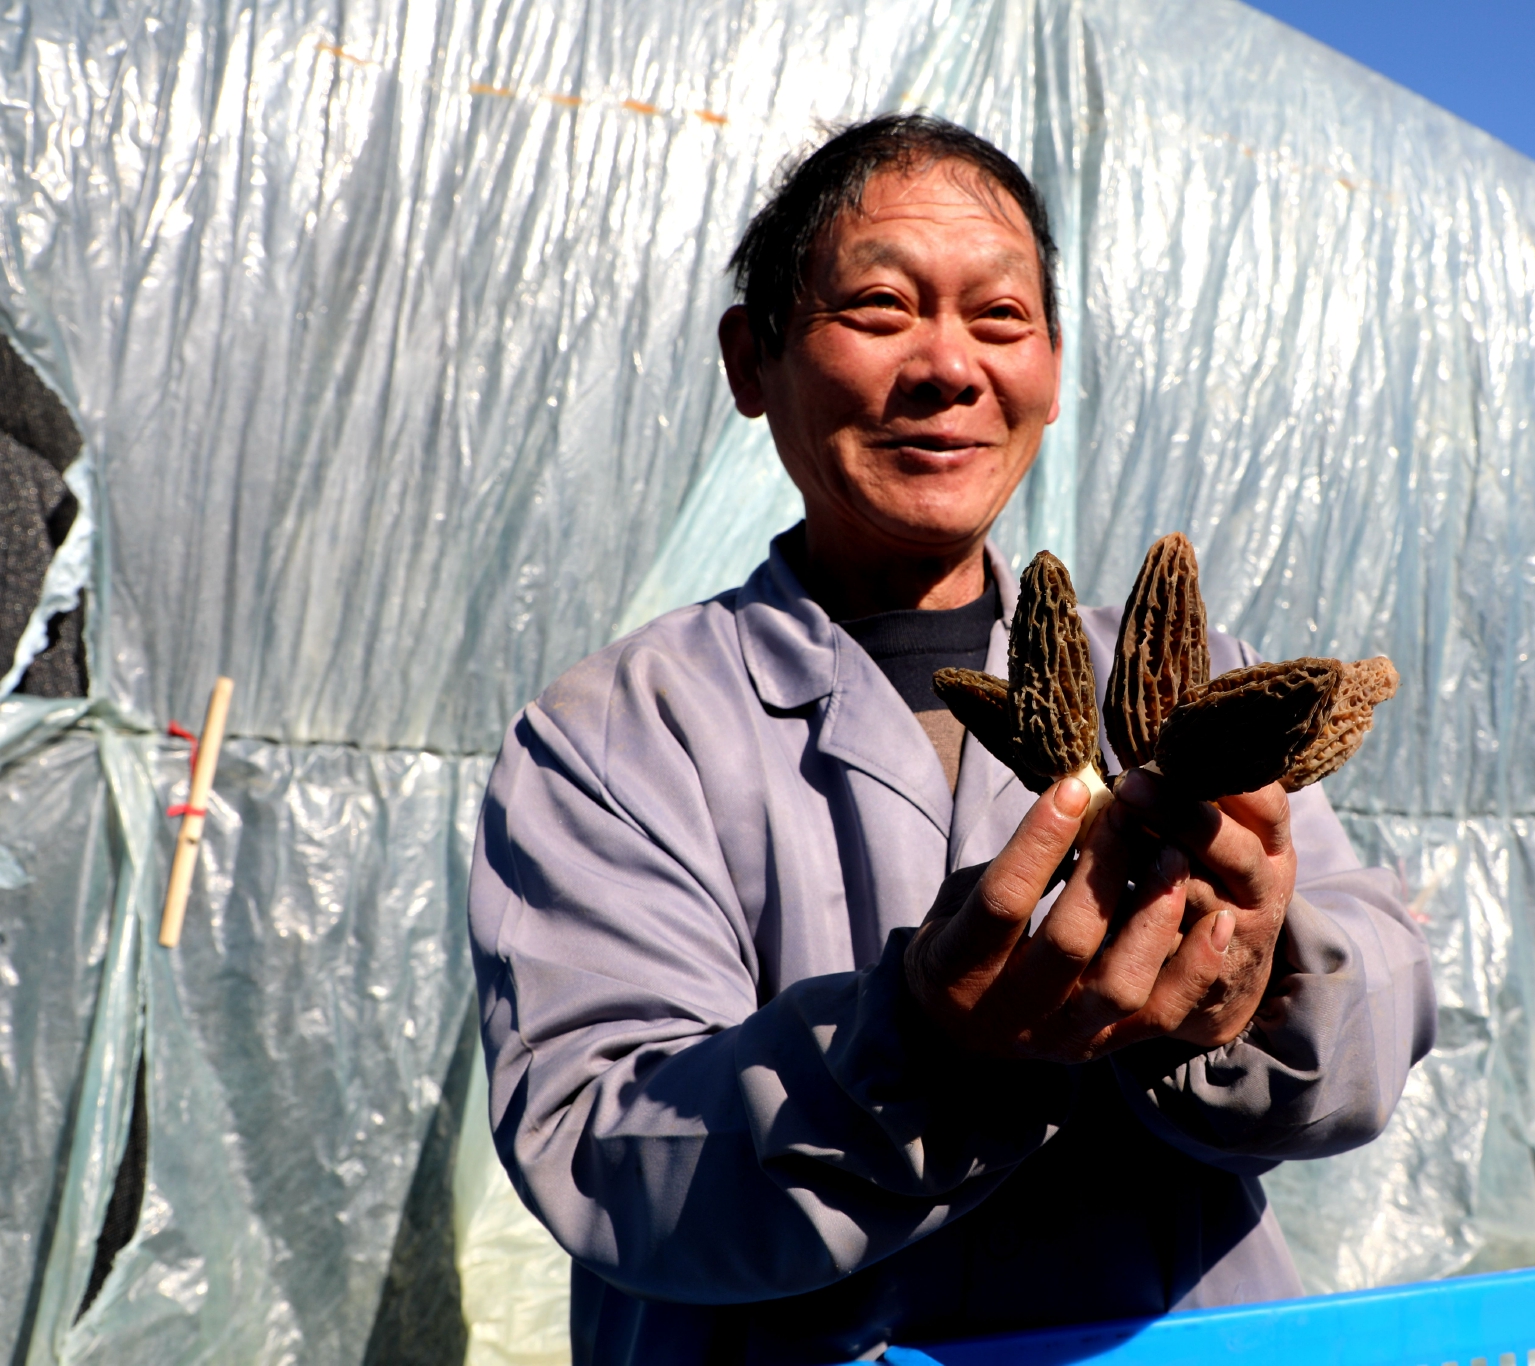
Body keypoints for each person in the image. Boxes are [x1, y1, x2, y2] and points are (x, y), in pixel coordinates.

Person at [468, 113, 1436, 1365]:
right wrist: (916, 1044)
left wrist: (1259, 987)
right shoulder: (612, 735)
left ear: (1048, 366)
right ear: (750, 360)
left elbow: (1378, 982)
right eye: (878, 309)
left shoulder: (1192, 691)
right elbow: (604, 1141)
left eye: (999, 319)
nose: (947, 367)